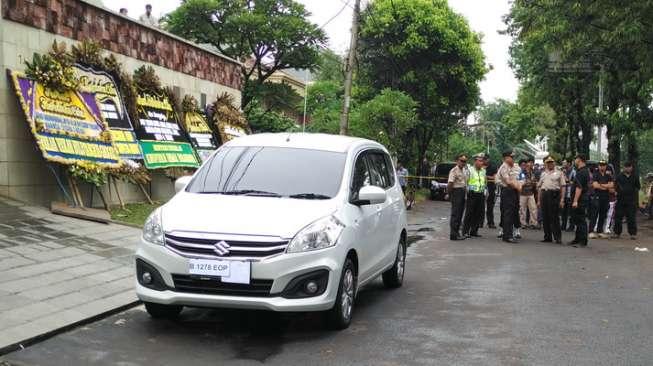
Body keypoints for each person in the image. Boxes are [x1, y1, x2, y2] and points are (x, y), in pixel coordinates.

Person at [537, 156, 566, 244]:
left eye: (551, 162)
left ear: (554, 163)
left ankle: (557, 237)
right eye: (548, 163)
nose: (550, 164)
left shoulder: (559, 173)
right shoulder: (543, 173)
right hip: (544, 194)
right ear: (546, 164)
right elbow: (539, 187)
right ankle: (547, 237)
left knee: (554, 217)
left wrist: (562, 199)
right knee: (545, 217)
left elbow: (563, 186)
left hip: (554, 195)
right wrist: (538, 200)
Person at [497, 150, 522, 243]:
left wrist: (520, 186)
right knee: (508, 213)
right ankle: (507, 236)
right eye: (511, 157)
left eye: (513, 157)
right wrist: (518, 188)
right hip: (508, 191)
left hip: (514, 191)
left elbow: (521, 178)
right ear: (506, 158)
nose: (513, 159)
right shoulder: (504, 167)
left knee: (513, 213)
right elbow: (508, 181)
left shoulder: (516, 167)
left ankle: (508, 234)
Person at [613, 162, 640, 240]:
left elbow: (638, 187)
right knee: (618, 217)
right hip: (620, 200)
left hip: (631, 201)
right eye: (626, 167)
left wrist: (633, 192)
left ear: (631, 167)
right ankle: (617, 233)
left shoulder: (635, 176)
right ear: (624, 168)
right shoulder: (619, 176)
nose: (628, 168)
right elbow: (615, 186)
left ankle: (632, 234)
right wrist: (617, 191)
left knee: (631, 217)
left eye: (629, 167)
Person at [462, 154, 487, 238]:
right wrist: (467, 192)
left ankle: (474, 231)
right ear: (475, 161)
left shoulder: (483, 171)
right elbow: (465, 182)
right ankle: (465, 231)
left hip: (481, 194)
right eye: (479, 161)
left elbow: (484, 181)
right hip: (472, 194)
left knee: (478, 213)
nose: (481, 162)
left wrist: (486, 191)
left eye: (482, 161)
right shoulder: (470, 170)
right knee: (469, 213)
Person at [569, 154, 590, 247]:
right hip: (581, 198)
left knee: (581, 220)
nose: (575, 160)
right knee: (577, 219)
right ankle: (577, 238)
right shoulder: (583, 171)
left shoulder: (582, 172)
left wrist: (575, 200)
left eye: (575, 159)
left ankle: (583, 241)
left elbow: (579, 187)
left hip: (580, 199)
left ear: (580, 160)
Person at [588, 160, 613, 239]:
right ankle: (591, 231)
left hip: (605, 197)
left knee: (603, 214)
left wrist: (601, 185)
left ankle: (599, 231)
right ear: (598, 166)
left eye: (604, 165)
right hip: (597, 196)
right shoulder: (596, 174)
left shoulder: (608, 175)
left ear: (606, 166)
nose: (602, 166)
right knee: (595, 214)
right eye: (601, 165)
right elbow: (595, 186)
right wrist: (606, 186)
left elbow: (611, 185)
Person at [448, 154, 469, 241]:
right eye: (461, 160)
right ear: (457, 161)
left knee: (460, 214)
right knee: (455, 214)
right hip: (456, 192)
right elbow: (450, 183)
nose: (463, 163)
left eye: (465, 161)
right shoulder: (454, 170)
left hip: (462, 193)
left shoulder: (464, 170)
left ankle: (457, 233)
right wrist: (449, 194)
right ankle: (453, 234)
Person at [519, 158, 539, 229]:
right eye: (528, 163)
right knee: (522, 209)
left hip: (530, 193)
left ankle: (533, 223)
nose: (530, 164)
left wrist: (532, 183)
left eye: (531, 163)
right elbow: (522, 182)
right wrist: (529, 182)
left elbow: (534, 182)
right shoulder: (521, 172)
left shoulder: (532, 172)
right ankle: (523, 223)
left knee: (533, 208)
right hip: (522, 193)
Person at [561, 159, 576, 232]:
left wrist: (567, 181)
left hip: (570, 194)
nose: (563, 164)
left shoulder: (573, 172)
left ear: (569, 164)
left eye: (565, 163)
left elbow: (575, 183)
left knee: (571, 212)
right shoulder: (563, 171)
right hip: (564, 194)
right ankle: (563, 225)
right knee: (563, 211)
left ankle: (571, 226)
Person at [485, 156, 498, 229]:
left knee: (490, 207)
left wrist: (486, 176)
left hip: (491, 188)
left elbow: (495, 177)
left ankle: (490, 222)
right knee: (479, 207)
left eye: (485, 159)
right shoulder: (480, 167)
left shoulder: (493, 166)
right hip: (480, 189)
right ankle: (479, 222)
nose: (484, 161)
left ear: (488, 159)